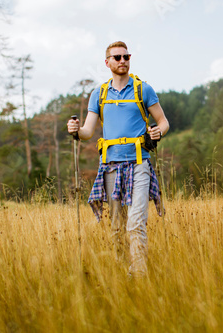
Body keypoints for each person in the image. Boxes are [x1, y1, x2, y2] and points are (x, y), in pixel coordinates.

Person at [67, 41, 169, 278]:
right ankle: (123, 273)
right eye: (117, 57)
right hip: (110, 168)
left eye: (126, 56)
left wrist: (158, 132)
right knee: (116, 226)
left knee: (135, 223)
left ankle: (140, 276)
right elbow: (87, 132)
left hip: (139, 164)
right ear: (107, 62)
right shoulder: (99, 94)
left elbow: (163, 122)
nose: (122, 61)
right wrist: (75, 129)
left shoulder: (143, 89)